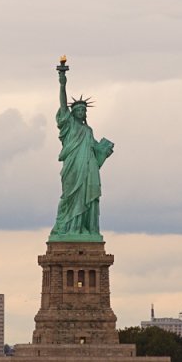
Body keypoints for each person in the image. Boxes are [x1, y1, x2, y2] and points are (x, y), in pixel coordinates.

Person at [50, 60, 114, 239]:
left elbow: (95, 151)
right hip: (73, 167)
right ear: (73, 113)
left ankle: (83, 228)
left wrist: (105, 151)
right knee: (70, 196)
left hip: (87, 169)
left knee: (86, 196)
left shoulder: (88, 131)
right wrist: (62, 82)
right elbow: (63, 105)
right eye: (77, 110)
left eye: (83, 110)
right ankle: (70, 227)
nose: (80, 112)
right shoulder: (69, 125)